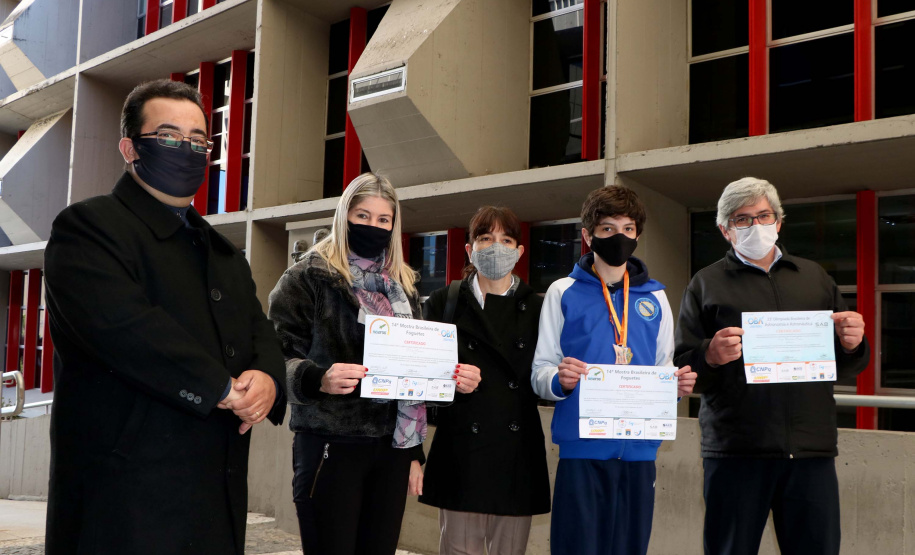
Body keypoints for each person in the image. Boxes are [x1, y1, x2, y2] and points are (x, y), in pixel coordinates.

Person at [43, 79, 287, 554]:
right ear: (130, 148)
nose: (188, 149)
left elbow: (261, 331)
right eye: (170, 136)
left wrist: (267, 378)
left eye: (199, 140)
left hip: (216, 496)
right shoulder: (88, 227)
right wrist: (222, 387)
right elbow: (124, 328)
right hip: (124, 500)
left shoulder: (223, 252)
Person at [267, 173, 482, 555]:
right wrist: (316, 377)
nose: (373, 226)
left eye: (384, 219)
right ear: (343, 216)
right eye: (363, 215)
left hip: (392, 450)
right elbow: (273, 359)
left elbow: (412, 370)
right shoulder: (306, 278)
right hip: (332, 442)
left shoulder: (403, 286)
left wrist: (450, 381)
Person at [674, 177, 868, 555]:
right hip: (736, 451)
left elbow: (845, 364)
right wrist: (709, 355)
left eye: (764, 216)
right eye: (743, 219)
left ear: (779, 222)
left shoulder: (814, 277)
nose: (756, 226)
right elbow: (684, 365)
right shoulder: (706, 284)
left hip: (811, 450)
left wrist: (852, 344)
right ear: (725, 230)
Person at [531, 186, 697, 555]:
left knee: (629, 547)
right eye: (607, 229)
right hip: (582, 448)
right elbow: (540, 370)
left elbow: (662, 367)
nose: (618, 237)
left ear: (637, 234)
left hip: (639, 449)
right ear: (588, 236)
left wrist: (676, 384)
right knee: (577, 547)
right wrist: (559, 380)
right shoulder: (563, 291)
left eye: (627, 228)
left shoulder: (655, 298)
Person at [420, 206, 551, 555]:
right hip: (463, 449)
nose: (497, 247)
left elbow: (547, 378)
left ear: (520, 251)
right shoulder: (443, 301)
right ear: (469, 249)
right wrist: (452, 379)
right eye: (486, 238)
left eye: (506, 240)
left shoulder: (541, 308)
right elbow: (420, 376)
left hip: (516, 452)